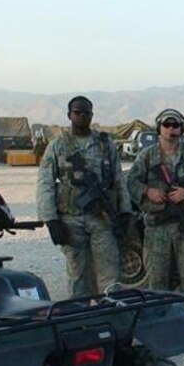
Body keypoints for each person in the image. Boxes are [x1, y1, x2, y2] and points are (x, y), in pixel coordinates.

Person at [126, 108, 184, 334]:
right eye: (167, 125)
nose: (171, 129)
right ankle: (157, 323)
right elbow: (131, 181)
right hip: (158, 226)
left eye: (175, 125)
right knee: (157, 277)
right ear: (159, 128)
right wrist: (148, 191)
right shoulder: (147, 156)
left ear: (182, 129)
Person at [36, 95, 132, 298]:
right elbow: (45, 182)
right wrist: (51, 220)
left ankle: (110, 315)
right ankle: (79, 320)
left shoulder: (105, 144)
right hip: (71, 218)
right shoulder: (58, 145)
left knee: (109, 272)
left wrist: (124, 211)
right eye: (77, 112)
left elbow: (119, 179)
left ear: (92, 115)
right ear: (69, 115)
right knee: (78, 274)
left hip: (102, 219)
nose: (81, 116)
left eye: (86, 112)